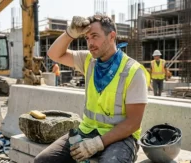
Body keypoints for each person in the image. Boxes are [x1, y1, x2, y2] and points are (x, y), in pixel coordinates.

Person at [34, 15, 150, 163]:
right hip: (87, 131)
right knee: (43, 161)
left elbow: (133, 122)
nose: (90, 43)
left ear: (112, 36)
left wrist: (97, 144)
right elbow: (54, 54)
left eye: (94, 36)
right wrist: (70, 33)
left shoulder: (133, 71)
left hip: (121, 138)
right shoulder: (89, 60)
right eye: (87, 38)